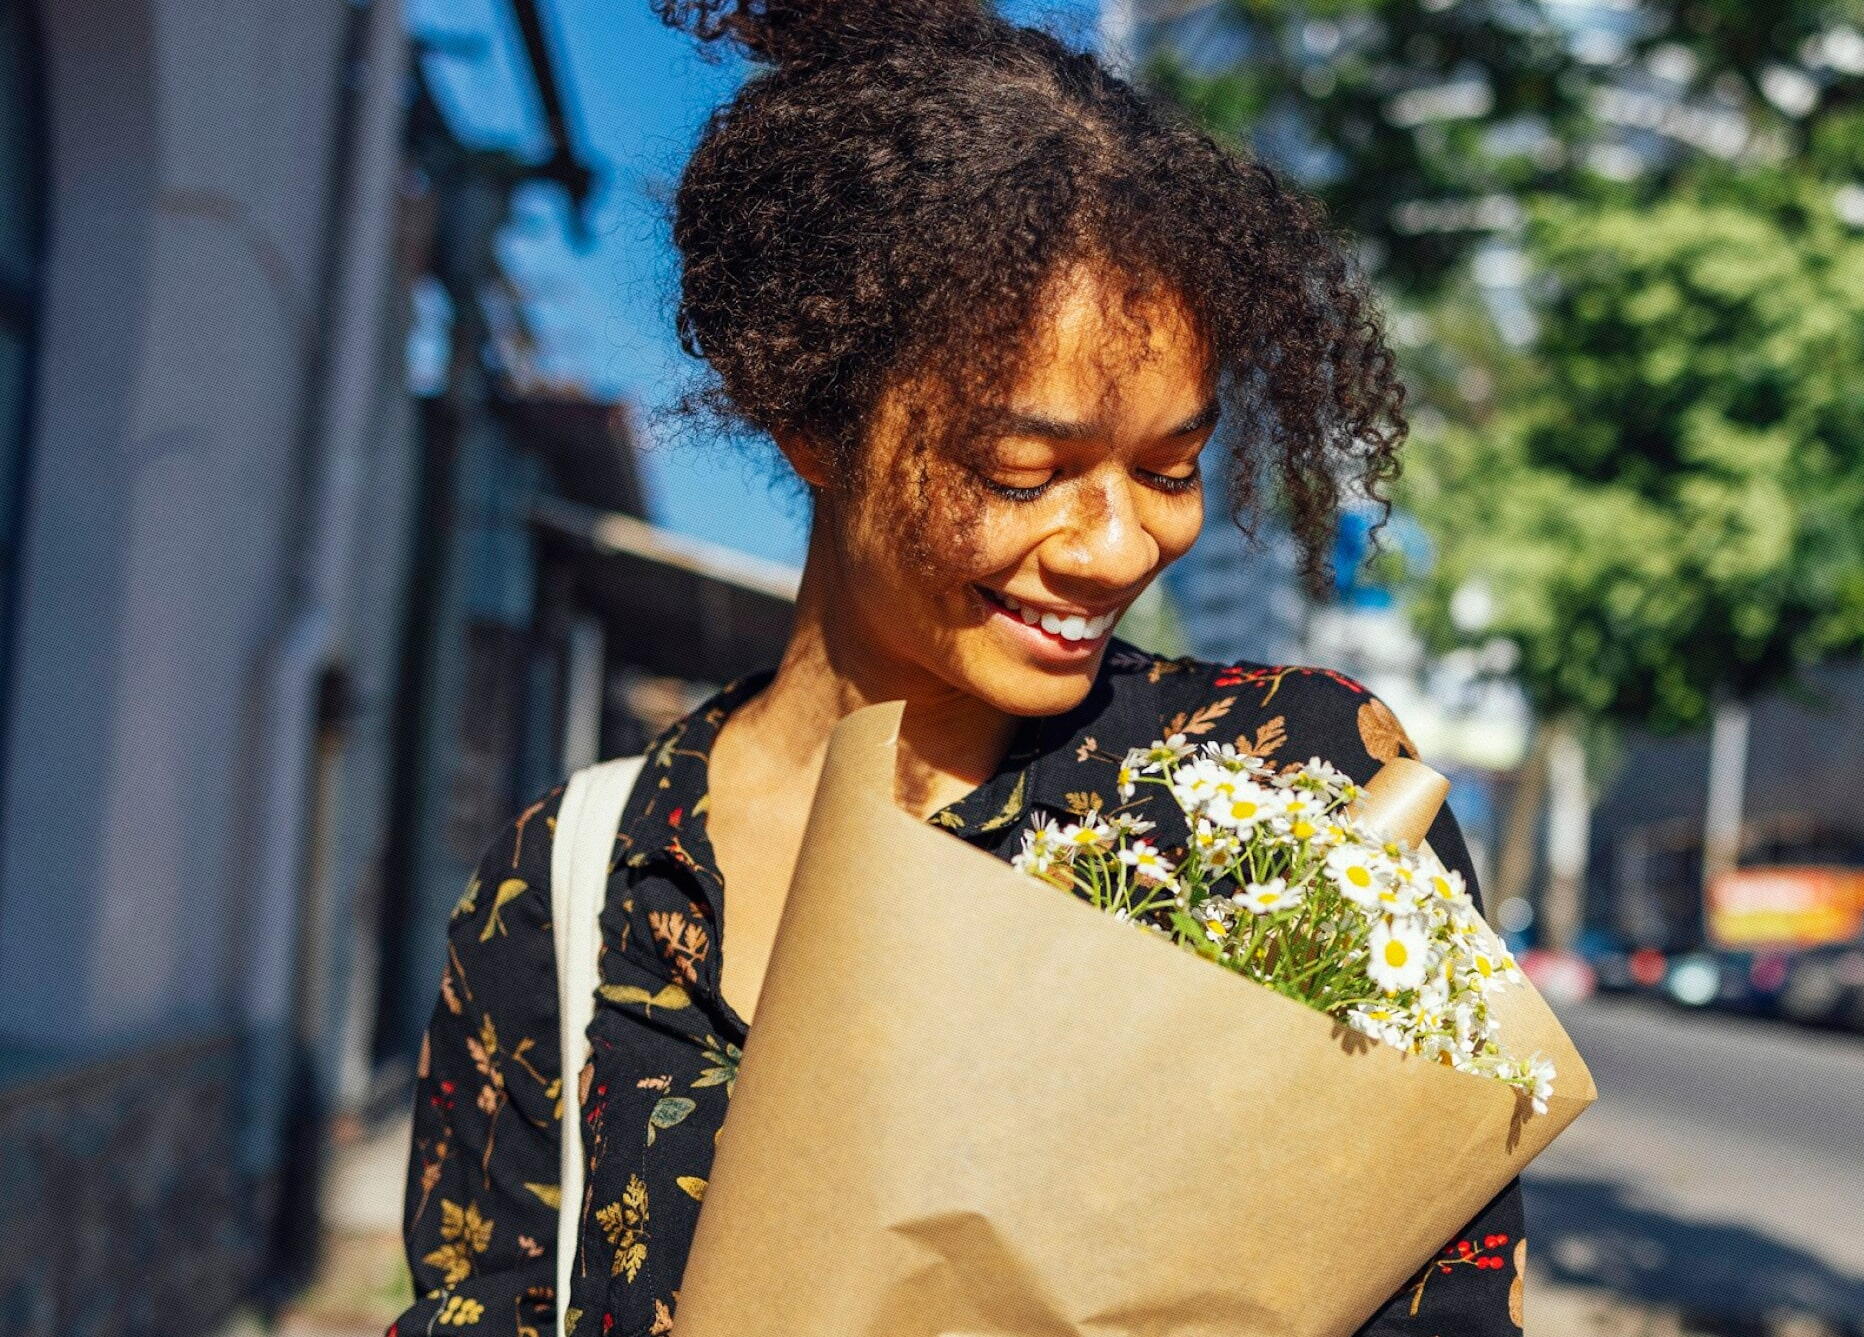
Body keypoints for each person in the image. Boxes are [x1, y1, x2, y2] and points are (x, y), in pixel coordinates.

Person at [395, 3, 1528, 1333]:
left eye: (1171, 468)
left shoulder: (1299, 805)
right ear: (808, 411)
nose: (1116, 547)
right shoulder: (572, 886)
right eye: (1022, 471)